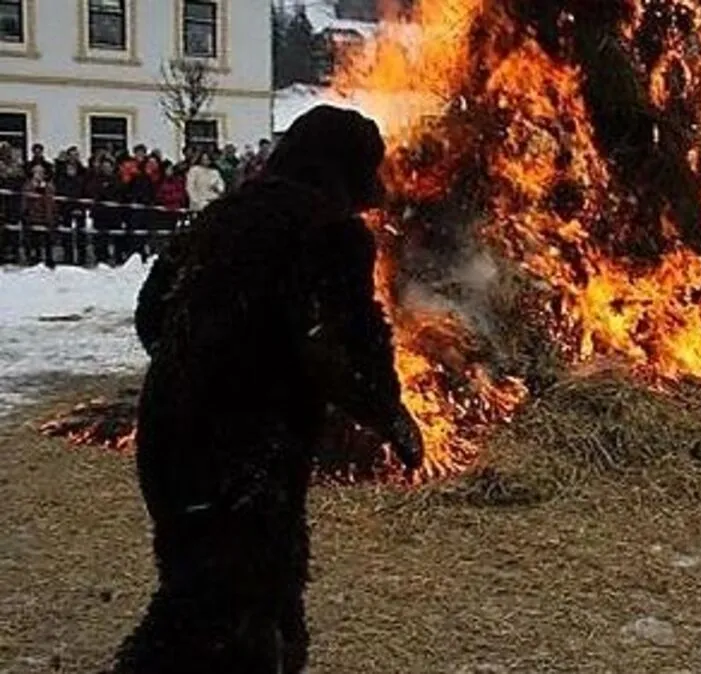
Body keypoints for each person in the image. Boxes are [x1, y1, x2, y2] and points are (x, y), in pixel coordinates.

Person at [113, 106, 424, 674]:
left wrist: (200, 364)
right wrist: (390, 415)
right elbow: (350, 344)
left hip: (166, 435)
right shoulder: (329, 231)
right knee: (215, 612)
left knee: (240, 595)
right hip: (240, 450)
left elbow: (151, 315)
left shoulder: (222, 217)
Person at [21, 164, 57, 266]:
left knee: (48, 239)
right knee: (33, 239)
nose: (39, 175)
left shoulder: (48, 186)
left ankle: (49, 259)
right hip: (33, 215)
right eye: (37, 172)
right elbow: (26, 200)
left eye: (41, 173)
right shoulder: (28, 185)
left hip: (46, 216)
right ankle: (34, 257)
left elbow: (51, 201)